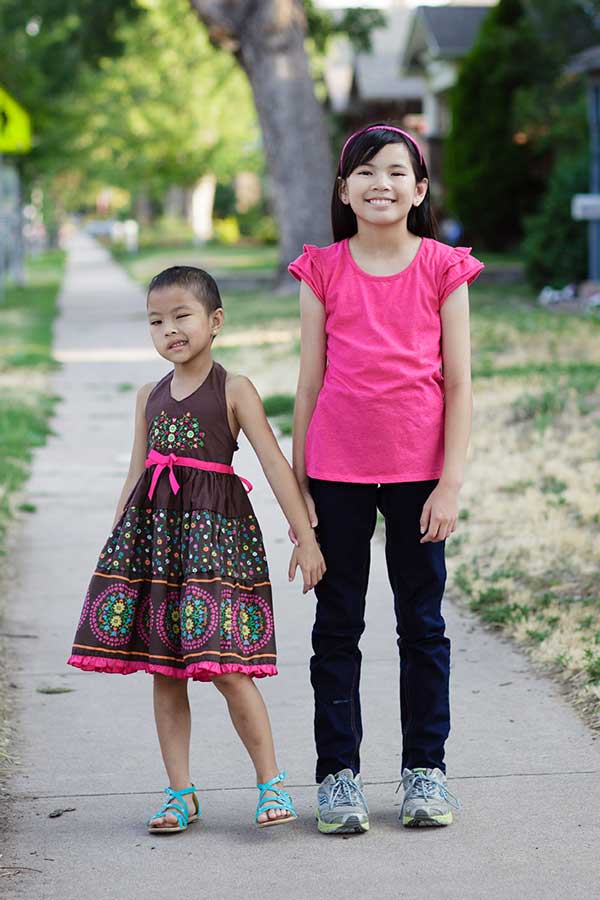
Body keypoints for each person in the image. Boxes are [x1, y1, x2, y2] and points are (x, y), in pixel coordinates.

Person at [68, 265, 325, 833]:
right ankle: (179, 793)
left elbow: (274, 465)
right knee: (166, 671)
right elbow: (136, 476)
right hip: (157, 546)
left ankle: (270, 782)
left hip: (217, 545)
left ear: (215, 322)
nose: (169, 330)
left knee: (229, 667)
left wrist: (305, 537)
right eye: (156, 321)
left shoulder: (233, 389)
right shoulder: (147, 396)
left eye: (181, 316)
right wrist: (117, 556)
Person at [288, 123, 484, 834]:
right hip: (336, 473)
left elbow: (459, 385)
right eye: (365, 173)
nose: (381, 184)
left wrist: (450, 481)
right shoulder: (323, 270)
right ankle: (338, 777)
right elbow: (308, 386)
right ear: (343, 191)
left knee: (422, 625)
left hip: (418, 477)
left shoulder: (442, 268)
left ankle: (424, 773)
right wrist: (300, 487)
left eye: (397, 172)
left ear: (420, 189)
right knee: (337, 625)